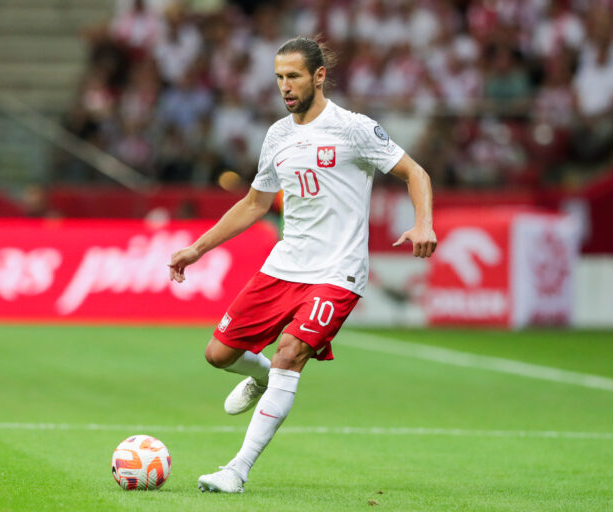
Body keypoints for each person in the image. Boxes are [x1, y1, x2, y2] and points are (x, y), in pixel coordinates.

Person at [168, 36, 437, 494]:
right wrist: (198, 248)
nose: (285, 86)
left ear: (318, 76)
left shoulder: (354, 128)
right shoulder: (277, 135)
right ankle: (259, 376)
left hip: (338, 272)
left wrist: (424, 223)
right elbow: (254, 204)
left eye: (293, 76)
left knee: (290, 353)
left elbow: (416, 173)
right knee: (218, 355)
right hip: (285, 265)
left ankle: (236, 470)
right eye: (278, 78)